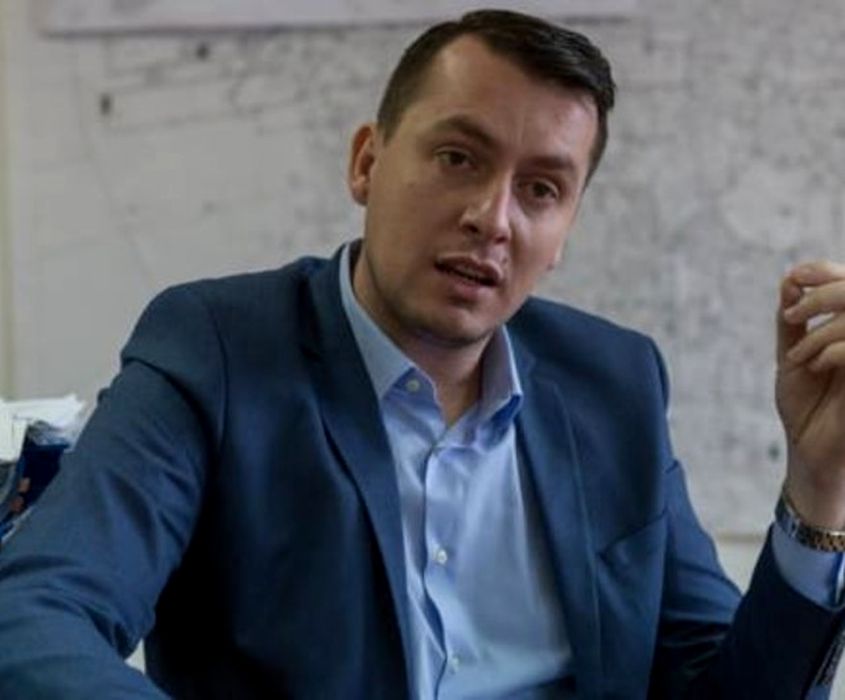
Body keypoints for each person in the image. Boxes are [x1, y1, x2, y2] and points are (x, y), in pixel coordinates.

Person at [1, 8, 845, 699]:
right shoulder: (217, 350)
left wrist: (818, 490)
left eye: (540, 190)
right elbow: (36, 617)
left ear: (563, 232)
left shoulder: (613, 383)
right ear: (366, 163)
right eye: (456, 158)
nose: (491, 218)